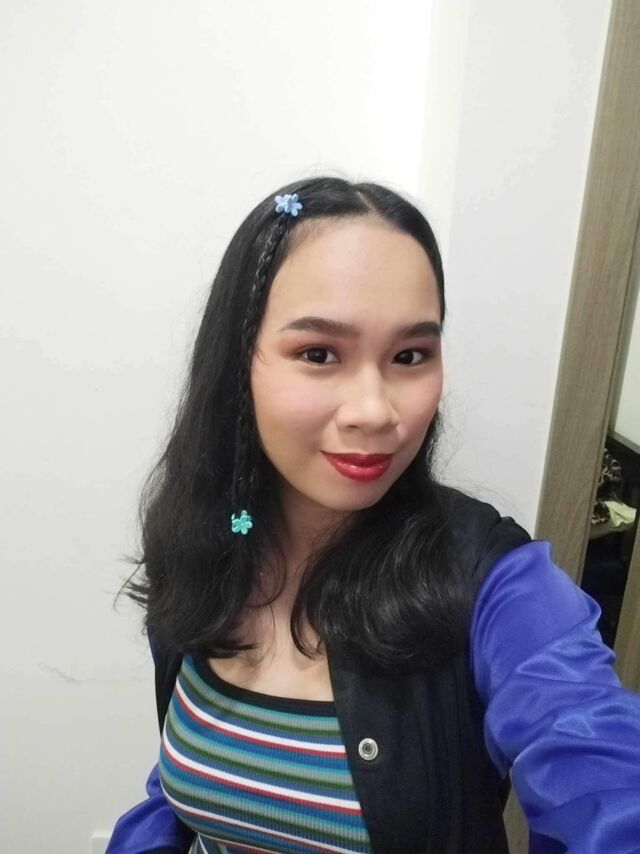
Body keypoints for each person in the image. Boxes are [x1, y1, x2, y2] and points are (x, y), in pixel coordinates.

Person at [107, 177, 640, 853]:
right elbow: (179, 783)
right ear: (239, 363)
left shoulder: (492, 582)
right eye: (319, 354)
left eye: (410, 356)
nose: (375, 410)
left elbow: (596, 763)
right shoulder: (210, 545)